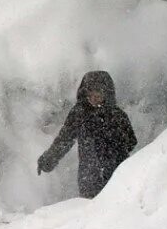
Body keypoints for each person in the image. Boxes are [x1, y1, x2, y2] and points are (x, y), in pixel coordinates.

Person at [37, 70, 137, 199]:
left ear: (107, 94)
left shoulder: (118, 116)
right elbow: (64, 139)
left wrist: (113, 152)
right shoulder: (79, 113)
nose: (94, 99)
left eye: (99, 95)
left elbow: (131, 142)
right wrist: (49, 159)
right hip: (89, 177)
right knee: (90, 212)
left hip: (117, 176)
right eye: (90, 94)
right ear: (85, 94)